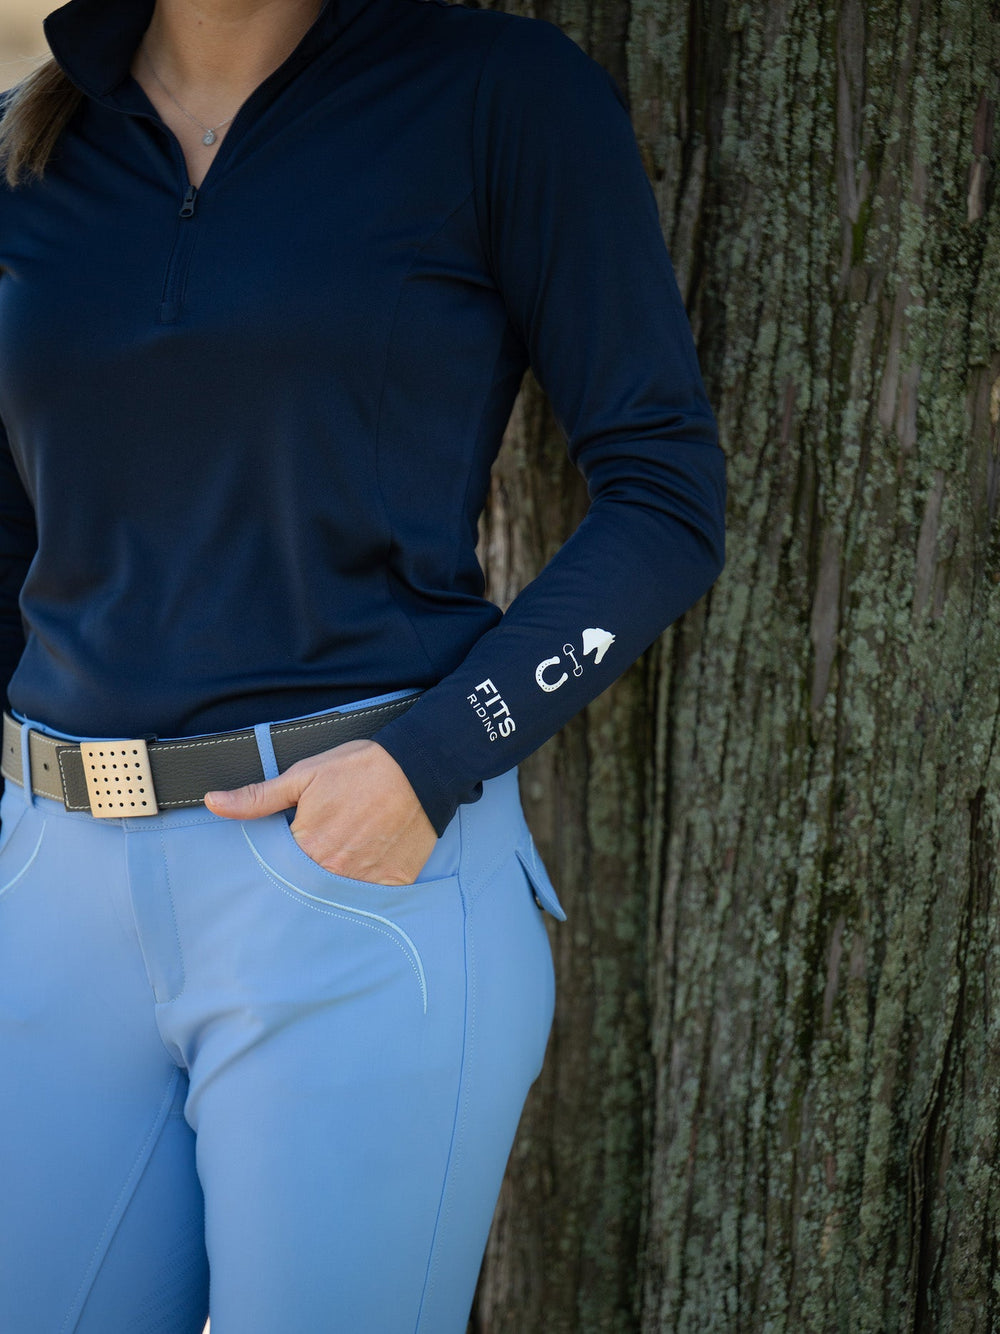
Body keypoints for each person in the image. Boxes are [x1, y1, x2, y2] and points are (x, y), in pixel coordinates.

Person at [0, 0, 726, 1328]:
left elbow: (665, 496)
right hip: (46, 889)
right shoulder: (26, 147)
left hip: (352, 876)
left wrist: (433, 758)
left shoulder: (496, 95)